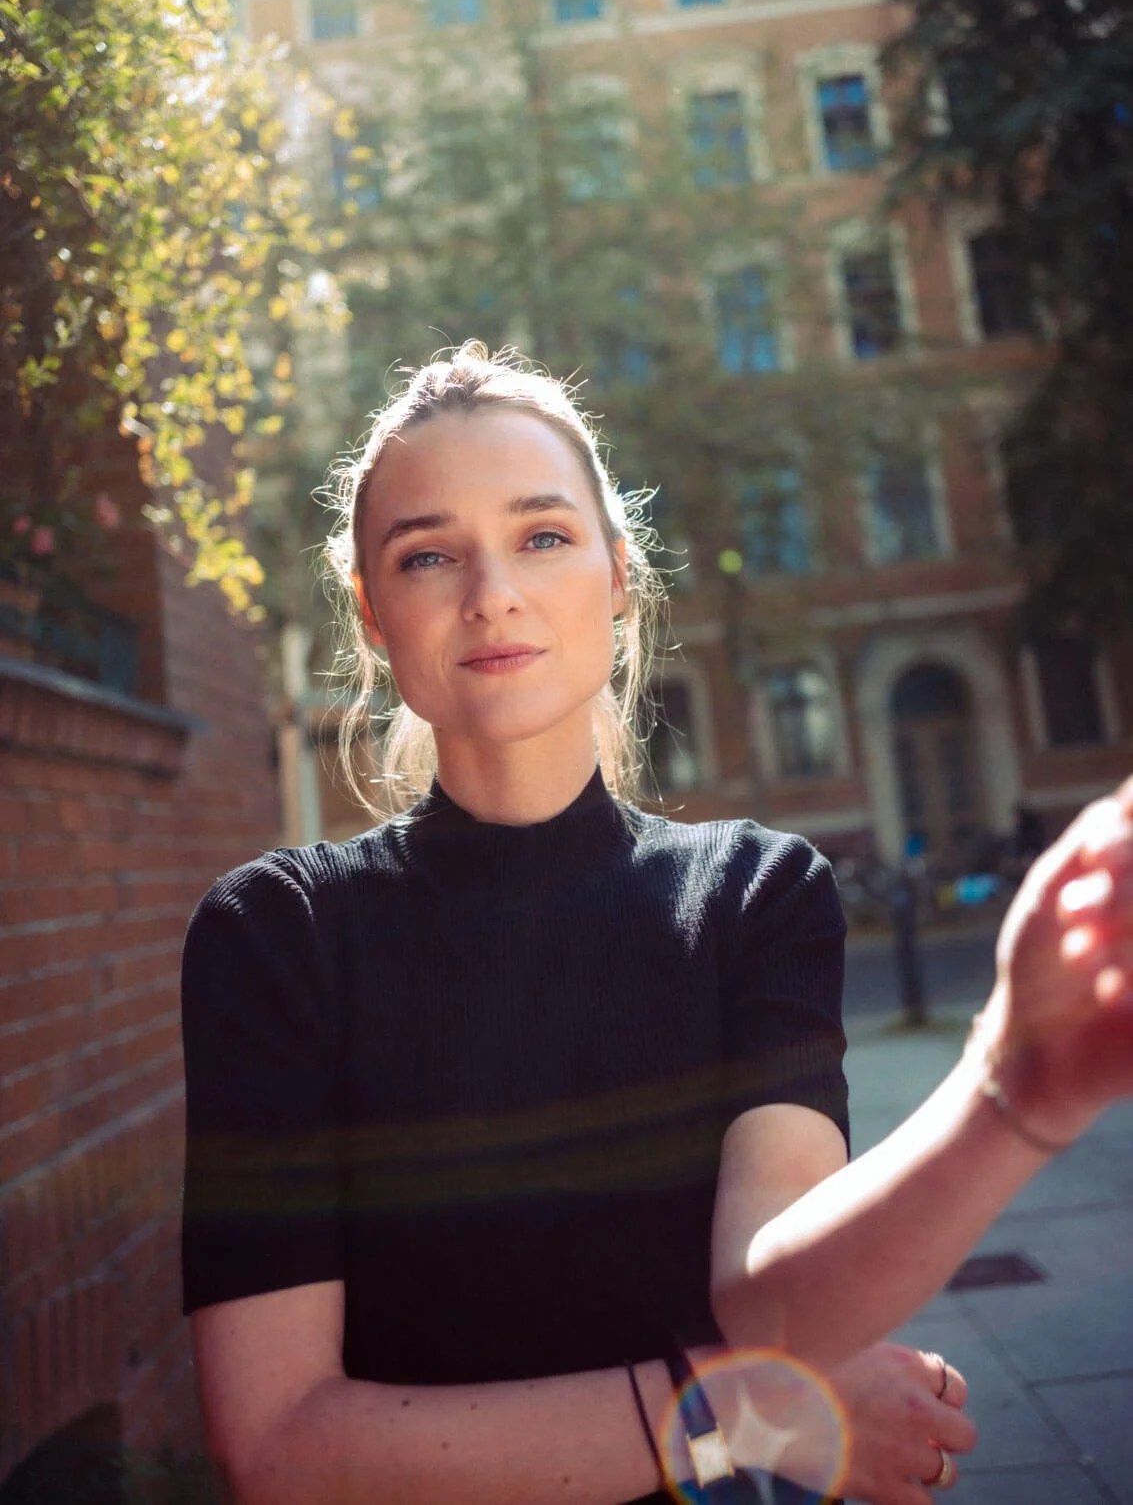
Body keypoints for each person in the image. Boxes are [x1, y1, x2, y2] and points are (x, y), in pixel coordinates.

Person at [180, 342, 1133, 1505]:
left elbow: (775, 1303)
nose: (492, 592)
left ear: (619, 575)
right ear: (375, 616)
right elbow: (276, 1446)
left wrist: (1009, 1091)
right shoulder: (274, 935)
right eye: (428, 554)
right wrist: (744, 1411)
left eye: (541, 534)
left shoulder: (754, 894)